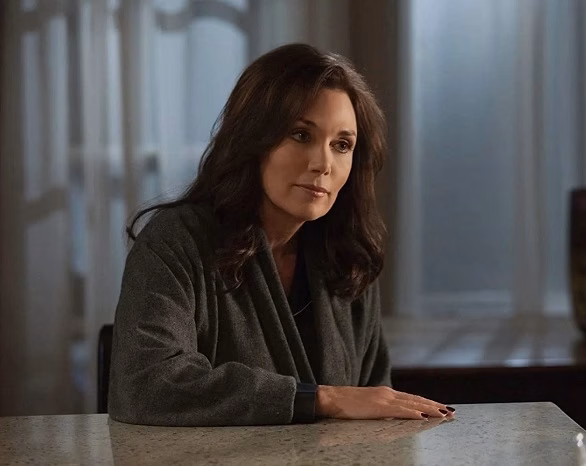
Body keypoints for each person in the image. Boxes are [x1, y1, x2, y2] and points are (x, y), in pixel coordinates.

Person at [108, 43, 454, 426]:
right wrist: (322, 399)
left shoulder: (347, 257)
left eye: (342, 145)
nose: (323, 163)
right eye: (301, 135)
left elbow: (377, 405)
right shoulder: (176, 241)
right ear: (252, 139)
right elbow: (145, 384)